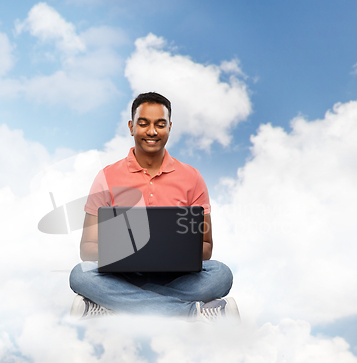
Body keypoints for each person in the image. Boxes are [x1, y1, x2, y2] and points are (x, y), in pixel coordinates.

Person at [69, 92, 239, 323]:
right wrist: (126, 253)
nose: (151, 131)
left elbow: (206, 246)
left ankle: (114, 306)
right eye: (143, 123)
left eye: (160, 124)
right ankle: (191, 312)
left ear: (169, 127)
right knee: (80, 275)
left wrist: (172, 254)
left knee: (221, 274)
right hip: (122, 278)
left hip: (177, 279)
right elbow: (87, 247)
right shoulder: (106, 177)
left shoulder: (192, 178)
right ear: (131, 127)